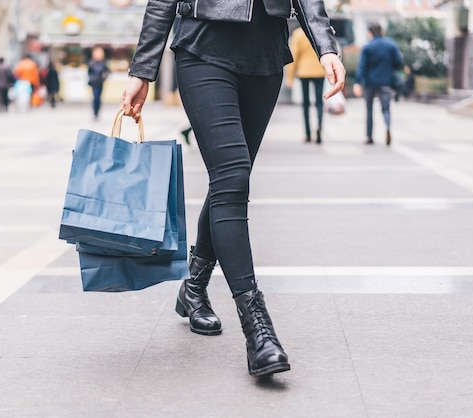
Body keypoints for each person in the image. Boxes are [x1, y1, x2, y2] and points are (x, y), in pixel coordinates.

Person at [122, 0, 345, 378]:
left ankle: (193, 286)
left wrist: (325, 45)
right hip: (203, 49)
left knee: (230, 180)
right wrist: (143, 69)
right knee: (233, 176)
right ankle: (258, 329)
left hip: (265, 56)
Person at [353, 23, 403, 146]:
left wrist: (357, 82)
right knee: (386, 108)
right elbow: (399, 63)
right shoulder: (391, 45)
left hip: (370, 82)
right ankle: (387, 127)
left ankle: (369, 136)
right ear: (382, 32)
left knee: (369, 109)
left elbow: (362, 67)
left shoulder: (367, 47)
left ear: (370, 33)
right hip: (386, 81)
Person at [286, 27, 326, 144]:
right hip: (319, 70)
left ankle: (308, 133)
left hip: (304, 72)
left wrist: (290, 77)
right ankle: (319, 125)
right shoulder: (319, 31)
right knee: (319, 102)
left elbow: (294, 55)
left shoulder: (298, 34)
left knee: (306, 104)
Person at [87, 46, 110, 120]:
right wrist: (92, 78)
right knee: (95, 97)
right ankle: (95, 112)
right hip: (94, 83)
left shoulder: (104, 63)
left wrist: (103, 78)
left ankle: (97, 112)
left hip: (100, 82)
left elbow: (107, 72)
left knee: (98, 98)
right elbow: (89, 72)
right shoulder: (91, 62)